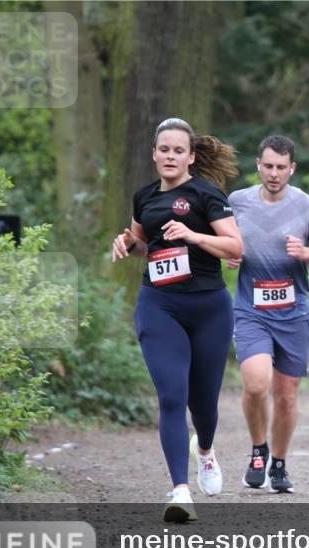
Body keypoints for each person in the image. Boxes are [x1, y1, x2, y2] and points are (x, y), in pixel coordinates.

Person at [111, 118, 243, 522]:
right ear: (154, 154)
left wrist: (195, 236)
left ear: (191, 156)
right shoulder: (144, 197)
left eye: (178, 150)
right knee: (171, 396)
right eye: (163, 149)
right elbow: (144, 244)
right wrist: (128, 243)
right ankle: (180, 489)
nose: (170, 156)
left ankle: (204, 449)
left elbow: (236, 246)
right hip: (160, 304)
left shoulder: (206, 194)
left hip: (208, 307)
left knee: (203, 403)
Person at [227, 135, 309, 494]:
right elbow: (223, 243)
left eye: (281, 167)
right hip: (251, 308)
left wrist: (304, 252)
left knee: (286, 395)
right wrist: (228, 256)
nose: (274, 174)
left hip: (293, 312)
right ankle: (258, 450)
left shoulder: (307, 206)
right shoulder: (237, 202)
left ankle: (278, 464)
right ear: (258, 165)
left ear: (293, 168)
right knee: (256, 384)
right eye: (268, 166)